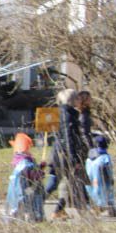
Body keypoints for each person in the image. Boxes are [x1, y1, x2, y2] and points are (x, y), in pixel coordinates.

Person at [48, 89, 88, 220]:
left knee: (68, 183)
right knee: (71, 183)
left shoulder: (65, 113)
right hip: (65, 155)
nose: (79, 100)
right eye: (78, 98)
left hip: (62, 154)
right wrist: (73, 158)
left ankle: (59, 210)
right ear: (73, 100)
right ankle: (84, 211)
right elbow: (68, 137)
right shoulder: (68, 115)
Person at [5, 132, 45, 222]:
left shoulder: (17, 161)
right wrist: (40, 173)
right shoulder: (26, 163)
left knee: (16, 206)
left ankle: (13, 218)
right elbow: (31, 175)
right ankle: (32, 217)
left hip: (15, 190)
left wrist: (40, 167)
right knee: (30, 199)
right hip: (26, 190)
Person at [86, 135, 116, 217]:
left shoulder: (89, 158)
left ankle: (96, 209)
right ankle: (109, 210)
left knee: (93, 195)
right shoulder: (105, 157)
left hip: (91, 180)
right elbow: (109, 169)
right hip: (103, 181)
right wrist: (111, 178)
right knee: (109, 194)